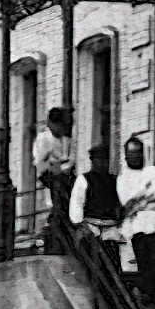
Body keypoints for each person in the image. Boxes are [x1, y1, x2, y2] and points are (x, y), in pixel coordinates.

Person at [115, 135, 155, 307]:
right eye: (131, 153)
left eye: (138, 153)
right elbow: (127, 201)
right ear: (125, 155)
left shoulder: (153, 171)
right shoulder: (123, 177)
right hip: (138, 224)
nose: (134, 157)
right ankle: (147, 297)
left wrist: (140, 199)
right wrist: (146, 193)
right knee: (144, 263)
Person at [72, 138, 126, 267]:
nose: (102, 163)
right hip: (91, 225)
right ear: (92, 161)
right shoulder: (84, 179)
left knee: (112, 262)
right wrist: (80, 223)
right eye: (99, 159)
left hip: (111, 227)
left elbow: (121, 203)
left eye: (105, 160)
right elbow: (77, 202)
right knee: (89, 261)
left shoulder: (114, 180)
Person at [31, 107, 78, 252]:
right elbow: (41, 163)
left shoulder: (64, 139)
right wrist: (56, 165)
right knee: (58, 201)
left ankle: (58, 228)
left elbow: (69, 159)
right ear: (51, 123)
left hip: (63, 174)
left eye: (63, 125)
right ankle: (47, 234)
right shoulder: (44, 138)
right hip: (50, 176)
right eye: (58, 124)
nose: (61, 128)